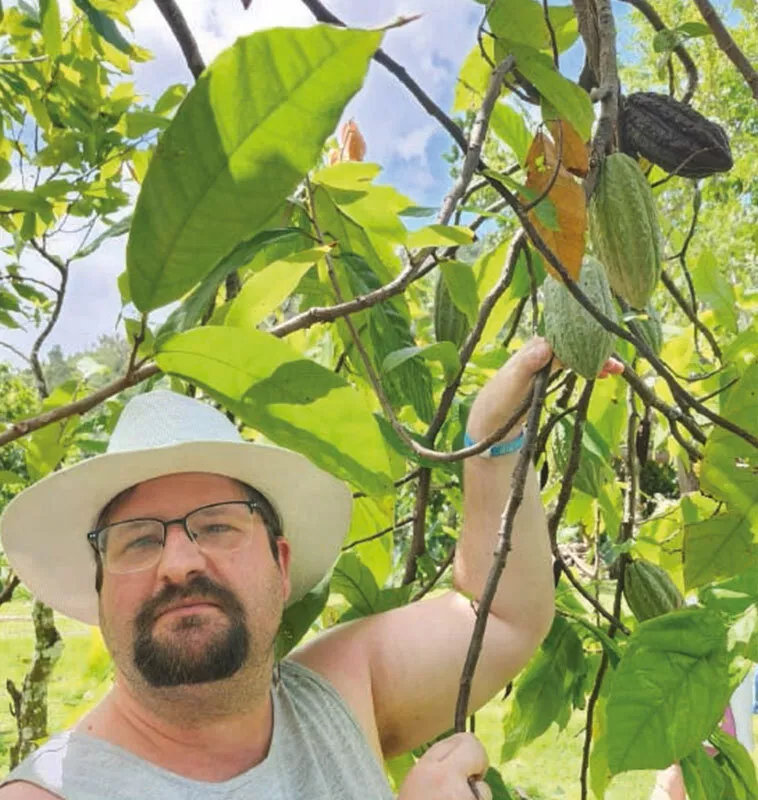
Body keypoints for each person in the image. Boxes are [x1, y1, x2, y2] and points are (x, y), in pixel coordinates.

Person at [0, 338, 619, 799]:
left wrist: (492, 440)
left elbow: (502, 615)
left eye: (218, 525)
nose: (180, 562)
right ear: (100, 586)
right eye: (137, 541)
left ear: (282, 562)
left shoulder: (340, 689)